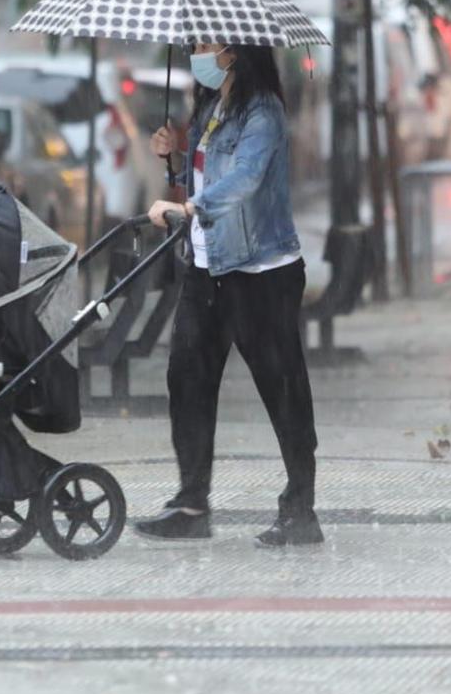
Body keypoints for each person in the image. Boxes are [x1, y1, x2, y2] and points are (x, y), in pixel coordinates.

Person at [135, 42, 321, 548]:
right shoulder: (211, 107)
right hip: (206, 267)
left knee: (281, 389)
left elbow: (245, 178)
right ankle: (192, 503)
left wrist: (190, 206)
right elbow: (201, 177)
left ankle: (300, 510)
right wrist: (174, 157)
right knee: (188, 379)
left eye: (205, 45)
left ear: (234, 52)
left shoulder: (263, 111)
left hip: (260, 271)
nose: (196, 52)